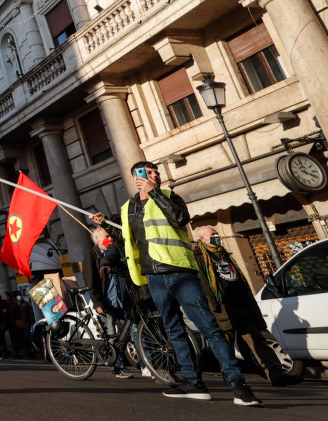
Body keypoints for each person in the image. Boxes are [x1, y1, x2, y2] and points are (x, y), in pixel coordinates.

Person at [96, 161, 260, 406]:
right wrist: (105, 224)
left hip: (181, 271)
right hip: (152, 276)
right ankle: (194, 382)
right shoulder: (128, 208)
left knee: (209, 327)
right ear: (135, 177)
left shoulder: (171, 197)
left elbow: (180, 218)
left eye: (156, 173)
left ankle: (239, 386)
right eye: (148, 173)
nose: (155, 176)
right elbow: (129, 239)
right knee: (173, 329)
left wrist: (154, 191)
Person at [192, 226, 288, 387]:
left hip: (241, 305)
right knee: (225, 344)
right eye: (213, 234)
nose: (217, 236)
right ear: (202, 239)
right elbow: (204, 285)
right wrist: (214, 308)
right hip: (223, 309)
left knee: (257, 340)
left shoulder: (224, 253)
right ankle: (231, 375)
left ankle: (276, 373)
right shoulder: (199, 257)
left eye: (217, 233)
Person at [83, 224, 132, 378]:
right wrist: (97, 303)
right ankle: (119, 367)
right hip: (107, 301)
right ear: (98, 240)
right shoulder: (92, 255)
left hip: (122, 298)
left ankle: (144, 364)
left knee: (132, 329)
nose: (110, 239)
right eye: (106, 237)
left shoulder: (115, 252)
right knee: (112, 334)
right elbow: (91, 282)